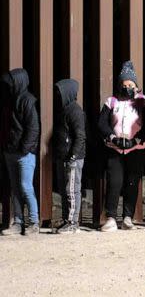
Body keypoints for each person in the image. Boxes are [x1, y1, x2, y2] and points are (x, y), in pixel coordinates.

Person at [98, 61, 145, 231]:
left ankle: (128, 217)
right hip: (115, 148)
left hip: (135, 149)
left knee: (131, 182)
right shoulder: (111, 101)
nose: (127, 87)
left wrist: (136, 140)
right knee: (114, 182)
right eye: (124, 84)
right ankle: (111, 217)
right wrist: (113, 138)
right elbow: (102, 123)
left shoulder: (143, 102)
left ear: (136, 85)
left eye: (130, 84)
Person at [0, 69, 40, 236]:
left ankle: (34, 222)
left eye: (11, 83)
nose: (8, 86)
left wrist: (25, 148)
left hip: (24, 153)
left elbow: (33, 128)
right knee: (15, 189)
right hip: (11, 151)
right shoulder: (10, 100)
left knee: (25, 187)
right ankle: (18, 222)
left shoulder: (28, 101)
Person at [53, 79, 87, 233]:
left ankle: (73, 223)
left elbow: (80, 136)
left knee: (72, 190)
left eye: (60, 92)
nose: (58, 95)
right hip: (64, 157)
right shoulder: (65, 109)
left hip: (73, 158)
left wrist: (73, 155)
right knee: (65, 190)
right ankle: (68, 220)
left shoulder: (75, 111)